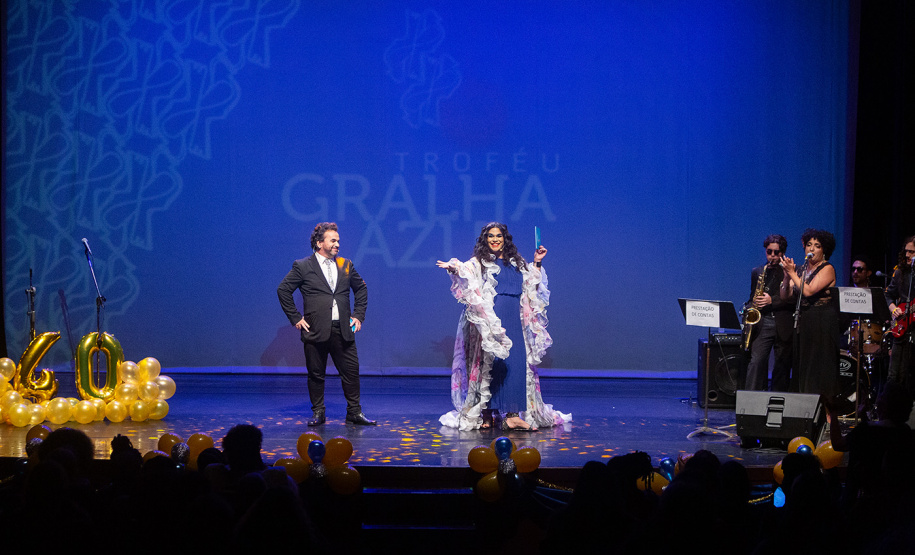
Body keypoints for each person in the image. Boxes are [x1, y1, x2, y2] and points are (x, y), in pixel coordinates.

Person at [436, 222, 570, 431]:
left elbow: (532, 284)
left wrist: (537, 262)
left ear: (504, 238)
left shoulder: (516, 262)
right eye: (490, 236)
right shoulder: (480, 262)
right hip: (492, 319)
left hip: (515, 318)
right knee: (490, 363)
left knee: (515, 363)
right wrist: (453, 267)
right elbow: (466, 269)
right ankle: (487, 413)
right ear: (485, 239)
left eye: (498, 236)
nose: (495, 239)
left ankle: (513, 415)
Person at [277, 222, 376, 426]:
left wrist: (358, 315)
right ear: (319, 242)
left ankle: (354, 412)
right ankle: (318, 412)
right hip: (315, 329)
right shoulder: (303, 266)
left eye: (338, 241)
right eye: (333, 240)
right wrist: (296, 318)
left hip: (343, 330)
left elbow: (361, 289)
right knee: (316, 374)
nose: (337, 244)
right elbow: (283, 290)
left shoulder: (345, 264)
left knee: (351, 372)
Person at [780, 229, 839, 398]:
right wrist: (786, 277)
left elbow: (809, 291)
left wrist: (792, 273)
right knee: (803, 366)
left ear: (824, 249)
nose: (811, 249)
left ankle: (826, 414)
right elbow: (785, 296)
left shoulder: (828, 269)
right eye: (808, 245)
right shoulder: (800, 270)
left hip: (822, 322)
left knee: (819, 368)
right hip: (804, 321)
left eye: (817, 246)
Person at [742, 234, 794, 392]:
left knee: (781, 366)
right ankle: (750, 402)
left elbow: (795, 299)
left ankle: (778, 401)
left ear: (782, 253)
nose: (772, 256)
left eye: (776, 252)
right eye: (769, 251)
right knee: (756, 361)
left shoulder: (792, 270)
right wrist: (751, 306)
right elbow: (752, 297)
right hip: (763, 322)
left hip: (783, 322)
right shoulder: (757, 271)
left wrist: (772, 300)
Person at [886, 235, 915, 396]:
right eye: (906, 251)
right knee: (893, 373)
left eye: (912, 252)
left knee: (908, 374)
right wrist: (893, 308)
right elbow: (889, 295)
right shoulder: (900, 272)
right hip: (902, 325)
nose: (907, 255)